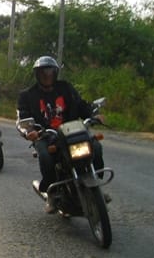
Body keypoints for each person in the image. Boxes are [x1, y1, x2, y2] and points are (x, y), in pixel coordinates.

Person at [16, 55, 107, 213]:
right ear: (37, 75)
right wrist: (29, 131)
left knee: (95, 146)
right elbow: (22, 116)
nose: (47, 76)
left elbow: (80, 104)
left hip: (71, 130)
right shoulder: (28, 95)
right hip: (46, 134)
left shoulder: (65, 87)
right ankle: (52, 193)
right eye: (43, 73)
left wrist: (92, 116)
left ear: (55, 73)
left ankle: (95, 186)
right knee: (45, 156)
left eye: (50, 72)